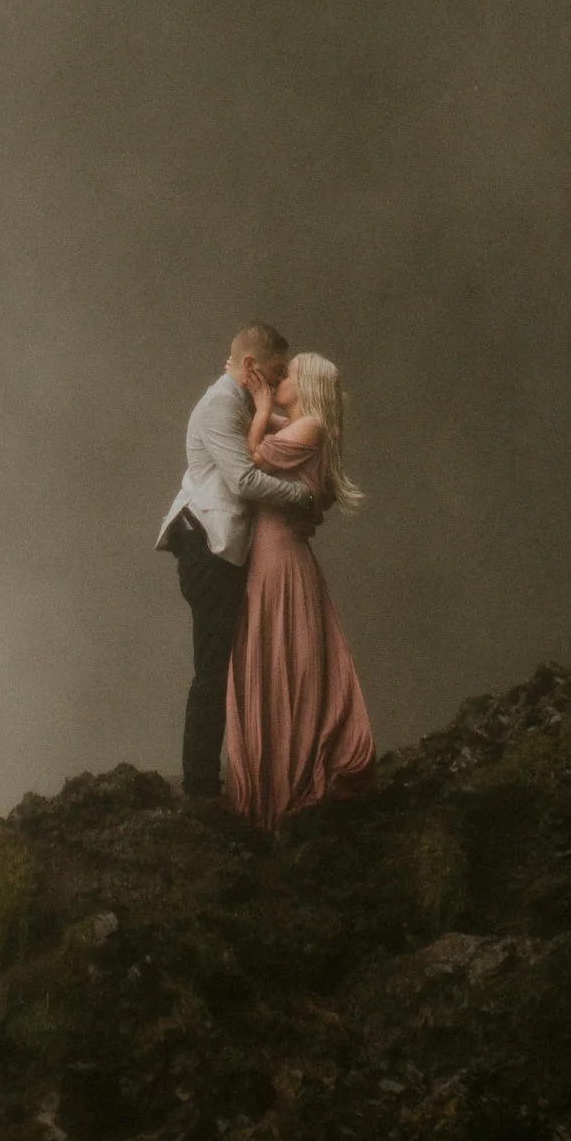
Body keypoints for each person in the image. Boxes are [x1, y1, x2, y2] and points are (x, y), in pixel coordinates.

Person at [157, 322, 321, 799]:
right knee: (213, 667)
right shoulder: (217, 407)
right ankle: (201, 785)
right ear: (251, 366)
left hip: (218, 546)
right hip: (206, 546)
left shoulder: (240, 402)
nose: (279, 378)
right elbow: (245, 481)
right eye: (275, 372)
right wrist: (305, 497)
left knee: (226, 663)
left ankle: (227, 775)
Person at [223, 348, 374, 830]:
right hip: (275, 558)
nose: (279, 378)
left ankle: (282, 787)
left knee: (279, 660)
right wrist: (252, 390)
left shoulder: (309, 428)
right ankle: (277, 784)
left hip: (279, 560)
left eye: (287, 374)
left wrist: (262, 409)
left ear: (306, 384)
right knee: (277, 660)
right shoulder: (305, 425)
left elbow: (251, 458)